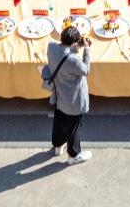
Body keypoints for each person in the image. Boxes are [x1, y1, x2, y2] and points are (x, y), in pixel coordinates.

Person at [44, 25, 92, 164]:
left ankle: (58, 146)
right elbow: (86, 70)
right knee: (74, 128)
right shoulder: (74, 61)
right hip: (73, 100)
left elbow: (63, 54)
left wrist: (76, 47)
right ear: (74, 42)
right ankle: (73, 155)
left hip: (59, 96)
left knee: (59, 122)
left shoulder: (51, 47)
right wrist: (86, 49)